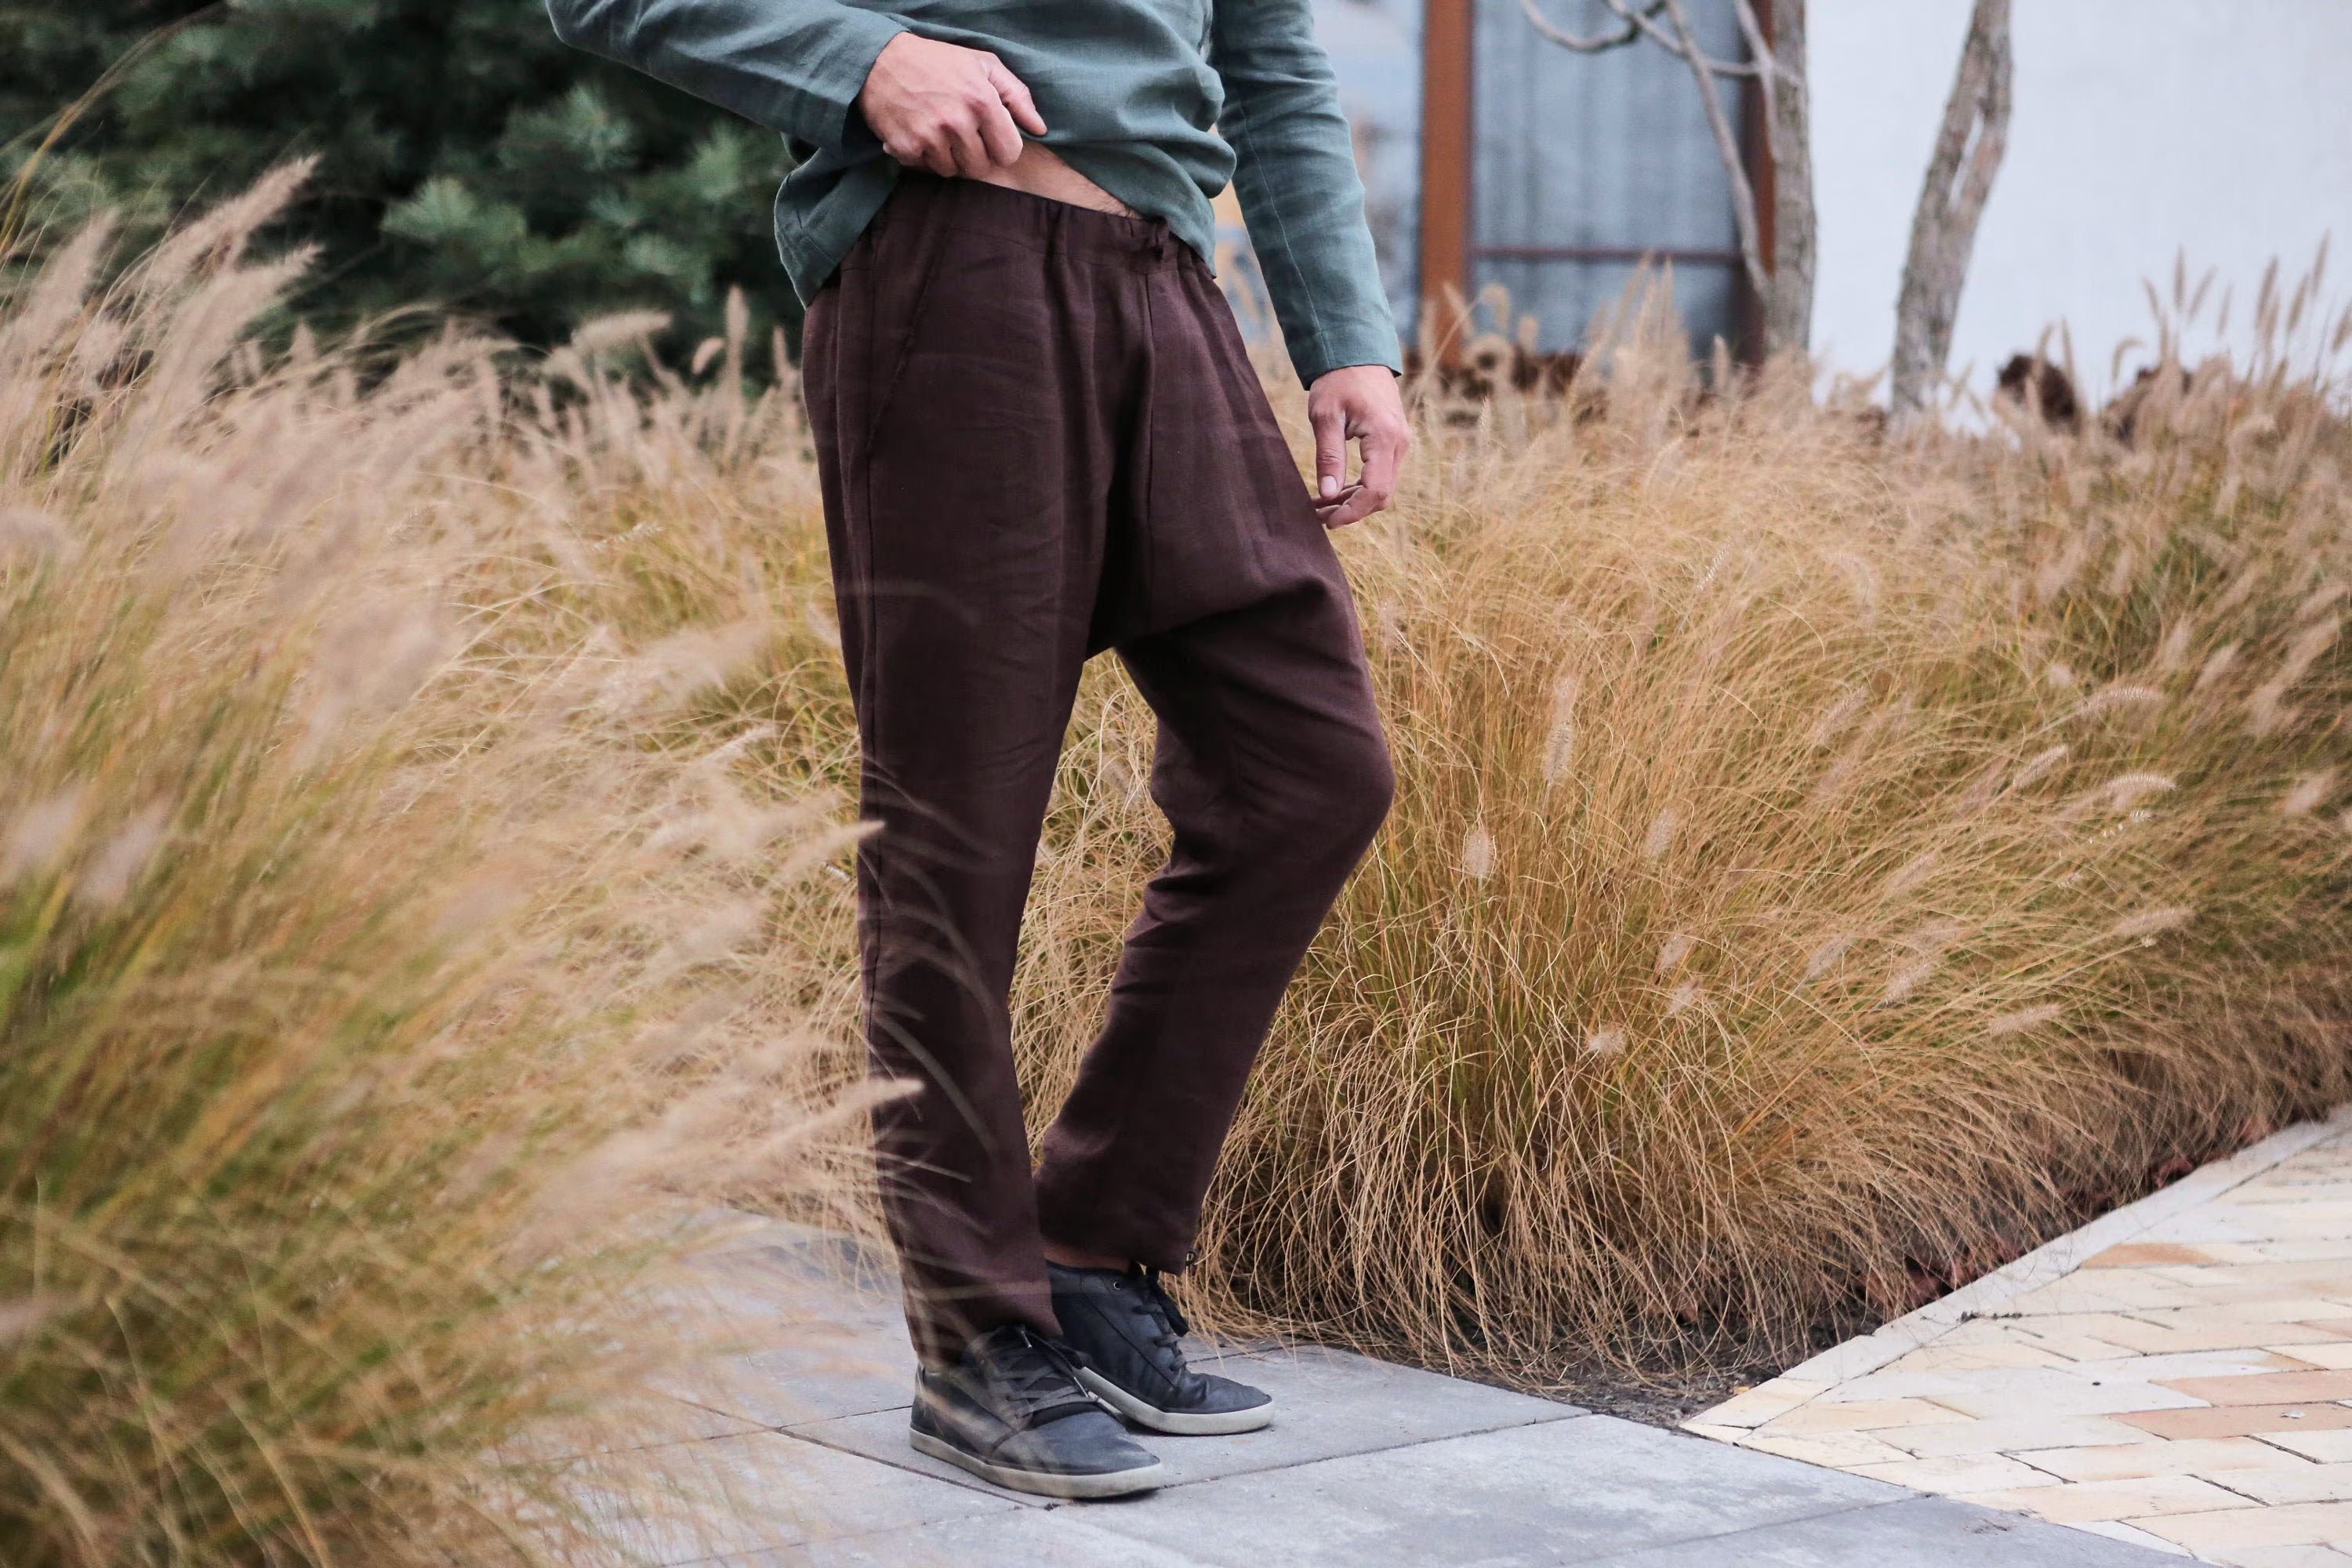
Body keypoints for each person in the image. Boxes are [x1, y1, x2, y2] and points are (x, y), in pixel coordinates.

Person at [546, 0, 1410, 1501]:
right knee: (955, 844)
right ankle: (975, 1342)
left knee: (1311, 770)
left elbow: (1267, 52)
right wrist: (861, 63)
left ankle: (1086, 1245)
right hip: (958, 269)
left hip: (1165, 280)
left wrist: (1348, 340)